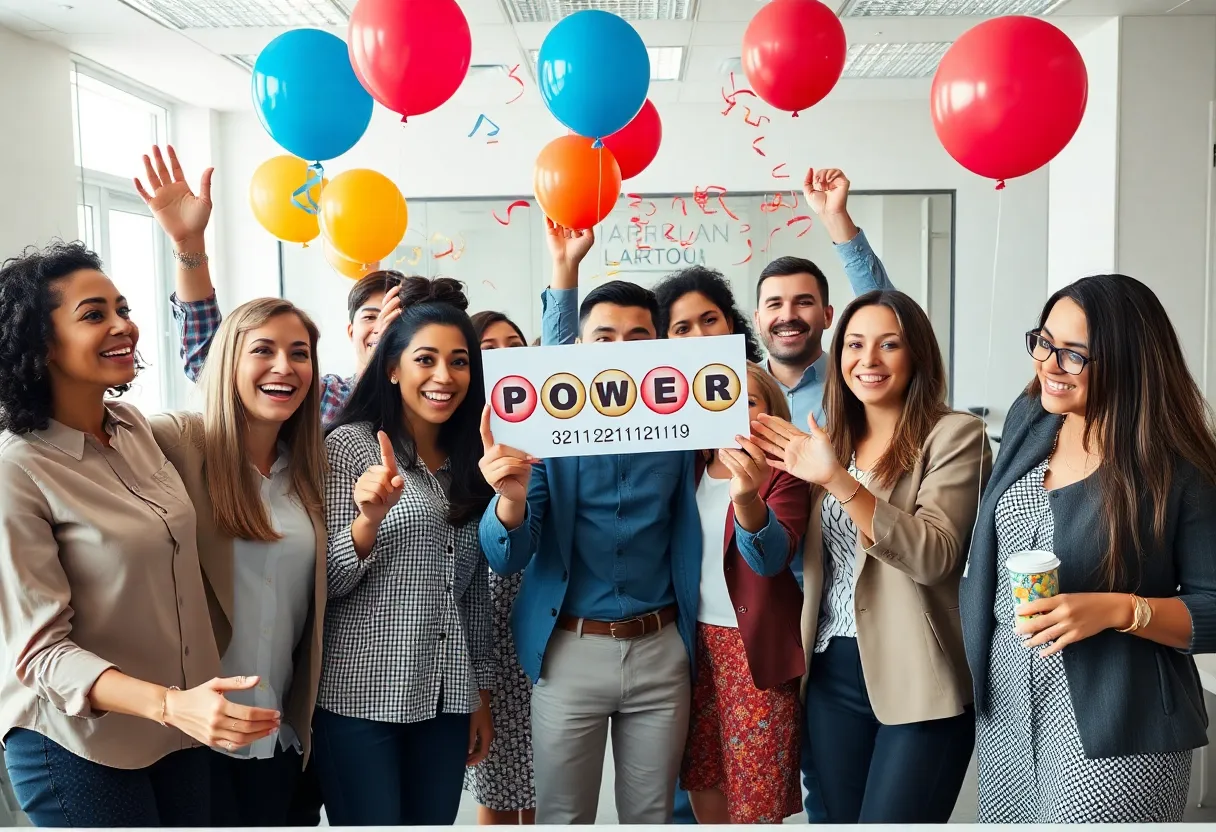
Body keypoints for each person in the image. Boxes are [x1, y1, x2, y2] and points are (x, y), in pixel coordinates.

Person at [0, 242, 280, 827]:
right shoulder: (17, 470)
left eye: (122, 308)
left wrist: (192, 251)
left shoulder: (134, 429)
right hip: (77, 743)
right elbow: (42, 655)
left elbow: (235, 397)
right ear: (39, 344)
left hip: (176, 732)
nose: (123, 325)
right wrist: (172, 704)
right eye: (94, 314)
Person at [960, 275, 1216, 823]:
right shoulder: (1034, 417)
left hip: (1116, 721)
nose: (1048, 365)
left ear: (1128, 361)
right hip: (1008, 709)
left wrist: (1117, 609)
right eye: (1044, 342)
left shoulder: (1179, 469)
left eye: (1073, 354)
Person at [753, 289, 989, 823]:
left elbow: (935, 555)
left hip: (919, 670)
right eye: (855, 345)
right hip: (832, 668)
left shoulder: (955, 436)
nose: (869, 360)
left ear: (917, 356)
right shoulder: (827, 439)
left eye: (889, 345)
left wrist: (837, 481)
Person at [478, 279, 704, 825]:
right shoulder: (547, 431)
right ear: (579, 349)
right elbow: (508, 556)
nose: (621, 350)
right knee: (562, 817)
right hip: (570, 651)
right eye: (603, 338)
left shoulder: (688, 428)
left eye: (637, 336)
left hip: (662, 651)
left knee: (652, 817)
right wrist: (508, 503)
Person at [315, 278, 495, 826]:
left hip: (445, 697)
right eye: (426, 359)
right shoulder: (349, 446)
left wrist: (480, 690)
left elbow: (473, 594)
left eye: (460, 362)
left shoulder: (475, 460)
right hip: (359, 700)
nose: (444, 377)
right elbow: (327, 582)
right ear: (392, 367)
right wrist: (368, 521)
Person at [137, 145, 402, 426]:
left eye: (395, 317)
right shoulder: (325, 398)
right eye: (371, 316)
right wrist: (188, 243)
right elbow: (211, 361)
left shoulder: (432, 399)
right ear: (351, 331)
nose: (382, 327)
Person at [681, 363, 807, 824]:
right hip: (691, 649)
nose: (733, 409)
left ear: (772, 413)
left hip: (755, 653)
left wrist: (747, 498)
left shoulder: (784, 472)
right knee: (702, 779)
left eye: (749, 400)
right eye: (722, 395)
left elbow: (771, 557)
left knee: (756, 802)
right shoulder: (688, 463)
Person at [464, 310, 537, 826]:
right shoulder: (460, 433)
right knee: (493, 773)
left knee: (535, 772)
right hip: (483, 610)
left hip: (536, 607)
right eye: (489, 347)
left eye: (514, 344)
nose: (505, 354)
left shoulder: (547, 428)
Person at [653, 266, 764, 362]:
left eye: (709, 320)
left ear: (729, 323)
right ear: (665, 341)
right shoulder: (653, 385)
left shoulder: (757, 382)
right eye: (683, 329)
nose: (700, 335)